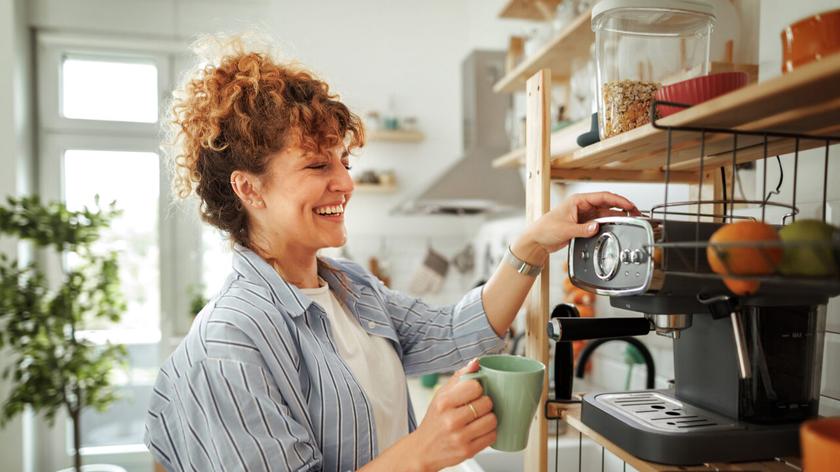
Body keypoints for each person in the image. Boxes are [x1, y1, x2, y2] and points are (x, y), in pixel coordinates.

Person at [144, 35, 638, 472]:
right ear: (249, 189)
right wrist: (424, 450)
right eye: (317, 165)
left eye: (344, 161)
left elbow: (456, 332)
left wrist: (534, 241)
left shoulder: (350, 289)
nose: (344, 183)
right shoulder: (232, 339)